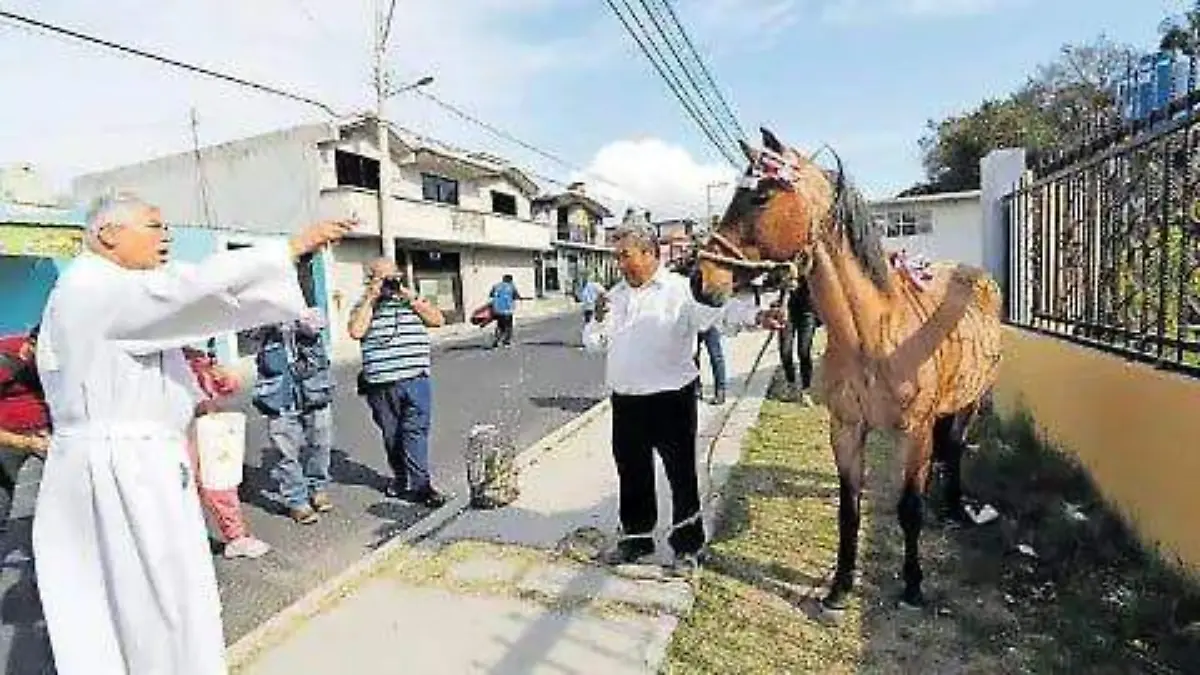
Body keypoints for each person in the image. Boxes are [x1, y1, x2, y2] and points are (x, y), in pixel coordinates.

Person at [32, 191, 350, 675]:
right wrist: (289, 248)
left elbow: (163, 327)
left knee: (146, 601)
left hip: (127, 461)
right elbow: (189, 291)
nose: (167, 237)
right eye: (154, 226)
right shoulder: (96, 288)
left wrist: (195, 384)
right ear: (109, 234)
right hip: (125, 472)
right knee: (154, 603)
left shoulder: (106, 288)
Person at [582, 225, 783, 572]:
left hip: (671, 400)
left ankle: (687, 547)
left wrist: (757, 316)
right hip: (626, 403)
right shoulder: (614, 296)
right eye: (617, 257)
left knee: (681, 475)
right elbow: (594, 344)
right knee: (632, 473)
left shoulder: (679, 290)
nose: (620, 264)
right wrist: (597, 321)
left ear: (649, 254)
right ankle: (636, 540)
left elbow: (720, 314)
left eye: (625, 255)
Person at [349, 258, 448, 508]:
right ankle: (402, 479)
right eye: (382, 277)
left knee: (415, 433)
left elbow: (437, 320)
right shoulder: (363, 306)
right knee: (393, 436)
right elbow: (356, 331)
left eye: (393, 276)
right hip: (381, 384)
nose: (389, 282)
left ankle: (422, 486)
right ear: (369, 279)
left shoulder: (411, 301)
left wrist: (408, 295)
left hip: (416, 379)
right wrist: (372, 297)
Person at [183, 346, 271, 559]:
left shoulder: (195, 356)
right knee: (181, 489)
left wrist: (218, 373)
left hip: (205, 429)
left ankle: (236, 537)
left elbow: (228, 387)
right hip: (172, 433)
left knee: (219, 482)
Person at [251, 307, 335, 525]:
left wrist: (295, 319)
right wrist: (270, 321)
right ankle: (297, 502)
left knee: (321, 443)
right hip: (278, 392)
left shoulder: (309, 311)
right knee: (284, 450)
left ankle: (318, 487)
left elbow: (316, 325)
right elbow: (250, 333)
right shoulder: (261, 316)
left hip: (314, 388)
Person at [0, 325, 50, 529]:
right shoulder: (5, 360)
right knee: (12, 502)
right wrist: (26, 442)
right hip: (11, 439)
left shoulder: (57, 359)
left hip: (49, 435)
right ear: (30, 345)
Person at [777, 277, 819, 406]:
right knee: (785, 351)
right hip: (788, 311)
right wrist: (782, 305)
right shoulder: (787, 264)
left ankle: (806, 390)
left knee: (803, 351)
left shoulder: (809, 262)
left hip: (808, 311)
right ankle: (791, 385)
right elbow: (780, 283)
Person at [488, 273, 524, 348]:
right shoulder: (511, 287)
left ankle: (496, 341)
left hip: (497, 310)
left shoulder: (496, 286)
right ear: (510, 280)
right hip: (507, 310)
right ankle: (506, 342)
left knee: (499, 326)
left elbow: (491, 295)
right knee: (508, 326)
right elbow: (516, 296)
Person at [693, 326, 727, 405]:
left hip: (701, 321)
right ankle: (720, 392)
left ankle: (697, 389)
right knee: (716, 356)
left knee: (714, 356)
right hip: (707, 319)